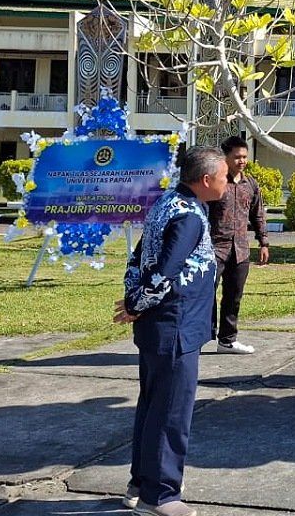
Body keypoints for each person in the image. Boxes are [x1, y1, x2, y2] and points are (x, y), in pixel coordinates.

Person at [115, 146, 227, 516]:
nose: (228, 182)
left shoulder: (169, 201)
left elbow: (137, 258)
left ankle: (141, 482)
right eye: (224, 176)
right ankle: (159, 496)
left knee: (152, 406)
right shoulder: (189, 216)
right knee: (171, 413)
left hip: (160, 326)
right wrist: (137, 303)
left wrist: (134, 300)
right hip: (175, 326)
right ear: (207, 180)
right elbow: (165, 271)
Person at [206, 135, 270, 355]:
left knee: (234, 296)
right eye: (237, 157)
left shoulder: (250, 184)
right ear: (226, 157)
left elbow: (258, 215)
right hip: (214, 248)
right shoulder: (214, 181)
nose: (242, 161)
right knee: (205, 294)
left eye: (245, 156)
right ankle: (200, 337)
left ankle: (227, 340)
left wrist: (263, 242)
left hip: (240, 250)